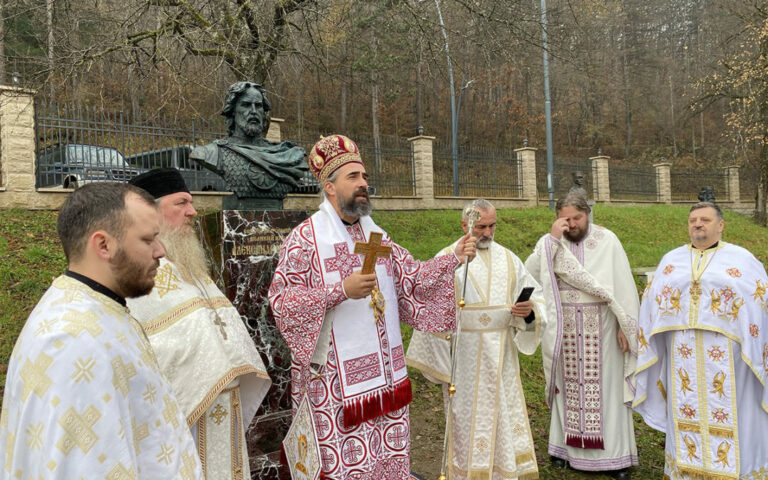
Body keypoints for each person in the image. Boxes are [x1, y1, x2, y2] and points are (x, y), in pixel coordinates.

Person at [268, 134, 476, 479]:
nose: (363, 183)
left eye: (364, 176)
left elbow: (413, 280)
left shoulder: (377, 236)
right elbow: (283, 303)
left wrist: (452, 257)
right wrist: (340, 291)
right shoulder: (305, 239)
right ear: (330, 187)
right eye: (353, 177)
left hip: (386, 380)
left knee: (385, 462)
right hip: (335, 387)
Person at [0, 182, 202, 479]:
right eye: (148, 240)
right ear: (104, 245)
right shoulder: (73, 342)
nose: (161, 251)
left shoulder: (98, 307)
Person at [126, 168, 271, 480]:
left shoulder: (189, 266)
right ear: (150, 211)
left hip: (224, 405)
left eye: (191, 203)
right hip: (185, 415)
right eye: (181, 203)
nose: (192, 212)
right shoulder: (141, 276)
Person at [406, 199, 545, 480]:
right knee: (467, 420)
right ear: (465, 225)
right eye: (481, 227)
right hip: (465, 358)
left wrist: (529, 312)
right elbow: (429, 305)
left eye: (492, 226)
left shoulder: (509, 259)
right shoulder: (448, 257)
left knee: (504, 417)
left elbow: (537, 298)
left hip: (503, 356)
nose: (487, 233)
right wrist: (441, 358)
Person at [633, 202, 768, 479]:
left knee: (736, 411)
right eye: (693, 220)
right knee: (685, 406)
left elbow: (759, 301)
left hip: (732, 356)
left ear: (721, 225)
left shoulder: (742, 260)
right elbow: (651, 302)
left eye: (705, 219)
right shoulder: (671, 261)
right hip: (682, 352)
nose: (697, 224)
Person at [524, 192, 638, 480]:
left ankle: (615, 458)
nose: (572, 224)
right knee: (567, 387)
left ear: (588, 214)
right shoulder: (550, 242)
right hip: (565, 328)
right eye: (566, 219)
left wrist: (625, 326)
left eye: (577, 218)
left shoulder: (607, 240)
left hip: (603, 327)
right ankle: (563, 450)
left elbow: (624, 287)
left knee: (607, 390)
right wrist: (552, 240)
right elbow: (529, 274)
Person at [190, 81, 308, 202]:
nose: (253, 111)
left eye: (258, 106)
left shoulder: (287, 154)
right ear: (232, 111)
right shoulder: (212, 153)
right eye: (246, 105)